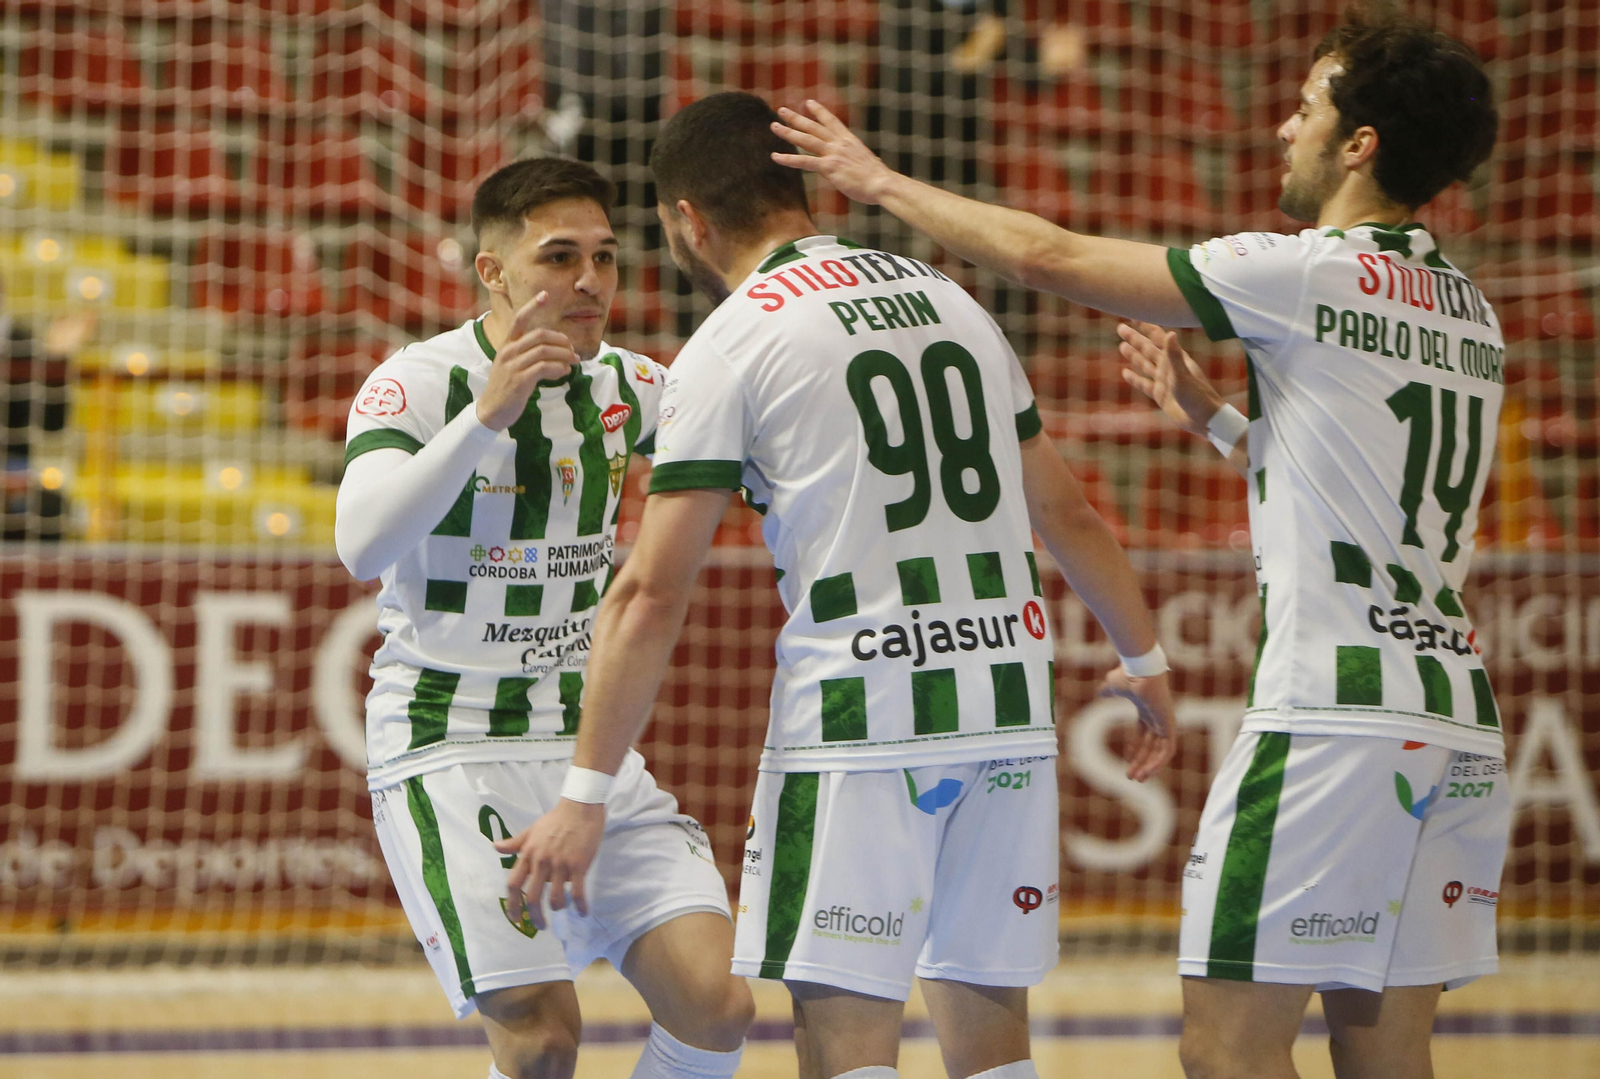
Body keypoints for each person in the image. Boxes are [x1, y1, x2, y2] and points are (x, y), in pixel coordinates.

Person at [768, 5, 1508, 1078]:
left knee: (1222, 1052)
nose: (1280, 131)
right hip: (1454, 719)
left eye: (1306, 109)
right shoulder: (1471, 312)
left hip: (1331, 717)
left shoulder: (1305, 272)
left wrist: (880, 183)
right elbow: (1379, 491)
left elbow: (1048, 254)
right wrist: (1220, 424)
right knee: (1387, 1057)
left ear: (1359, 145)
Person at [497, 91, 1176, 1079]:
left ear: (688, 220)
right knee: (994, 1045)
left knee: (846, 1048)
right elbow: (1068, 514)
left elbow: (649, 590)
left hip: (861, 717)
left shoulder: (729, 342)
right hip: (1004, 700)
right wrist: (1141, 656)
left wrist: (586, 790)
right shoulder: (952, 298)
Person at [335, 156, 753, 1079]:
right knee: (542, 1041)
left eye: (604, 258)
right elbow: (360, 544)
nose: (589, 281)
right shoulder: (421, 380)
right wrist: (487, 415)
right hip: (450, 738)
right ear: (493, 273)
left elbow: (766, 459)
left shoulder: (633, 385)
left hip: (582, 748)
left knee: (718, 1007)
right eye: (560, 257)